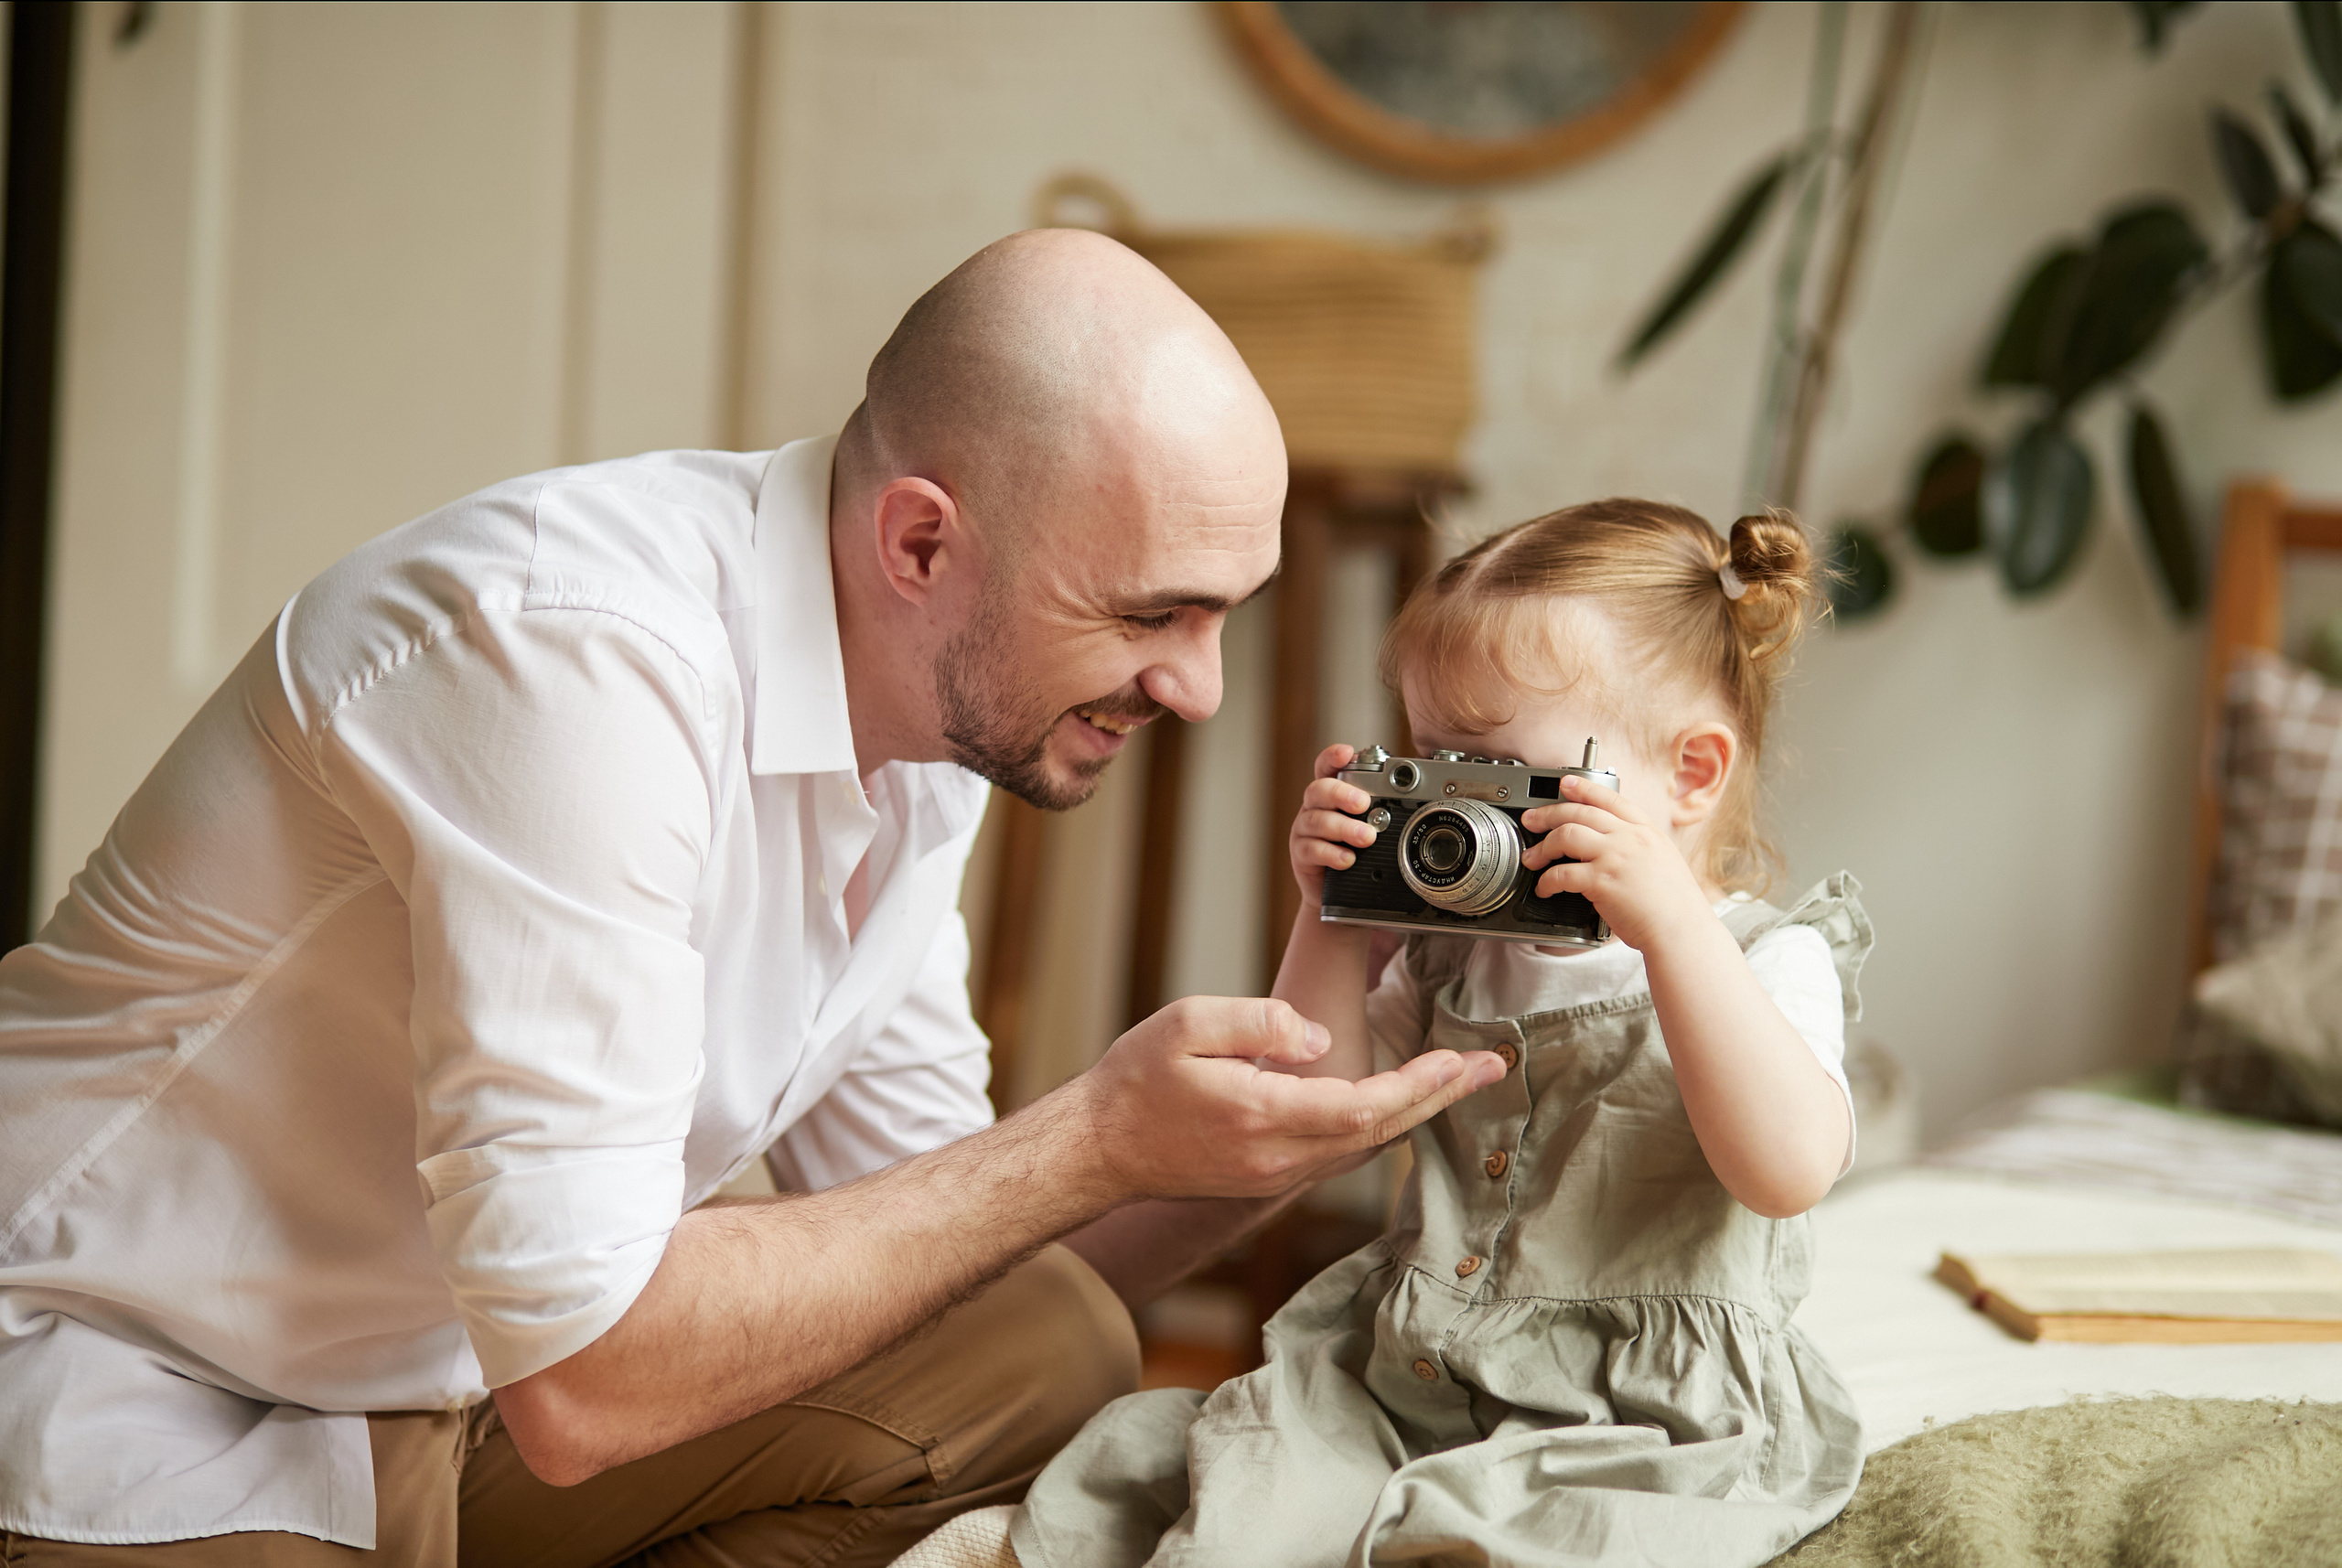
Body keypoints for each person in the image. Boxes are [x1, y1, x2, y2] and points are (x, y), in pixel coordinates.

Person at [0, 230, 1507, 1566]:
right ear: (920, 541)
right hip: (142, 1381)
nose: (1198, 686)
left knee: (1043, 1340)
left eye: (1222, 614)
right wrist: (1091, 1130)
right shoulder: (574, 662)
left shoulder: (923, 733)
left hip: (448, 1371)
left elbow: (975, 1247)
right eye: (1150, 613)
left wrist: (1325, 1043)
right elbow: (589, 1373)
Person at [1010, 499, 1874, 1568]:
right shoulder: (1448, 955)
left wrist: (1668, 931)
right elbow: (1315, 1118)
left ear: (1690, 774)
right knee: (1239, 1491)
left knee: (1546, 1543)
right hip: (1412, 1373)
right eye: (1435, 765)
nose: (1461, 815)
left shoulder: (1766, 958)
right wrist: (1331, 914)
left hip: (1634, 1416)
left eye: (1504, 775)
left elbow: (1784, 1172)